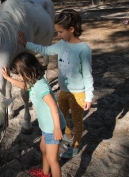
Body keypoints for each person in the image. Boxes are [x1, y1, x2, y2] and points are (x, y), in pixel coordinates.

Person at [17, 9, 94, 159]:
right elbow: (44, 50)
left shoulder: (84, 50)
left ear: (71, 29)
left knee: (78, 122)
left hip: (79, 93)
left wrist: (89, 97)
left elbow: (88, 75)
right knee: (61, 117)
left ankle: (75, 146)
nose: (58, 35)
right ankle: (69, 137)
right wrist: (27, 43)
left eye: (60, 32)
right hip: (64, 92)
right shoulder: (61, 45)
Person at [2, 52, 66, 177]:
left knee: (53, 159)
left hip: (53, 127)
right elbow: (24, 86)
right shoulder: (34, 81)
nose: (19, 77)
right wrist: (8, 78)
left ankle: (51, 172)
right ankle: (46, 173)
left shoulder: (40, 87)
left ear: (27, 70)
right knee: (43, 148)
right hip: (46, 127)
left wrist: (57, 129)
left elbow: (53, 106)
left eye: (20, 74)